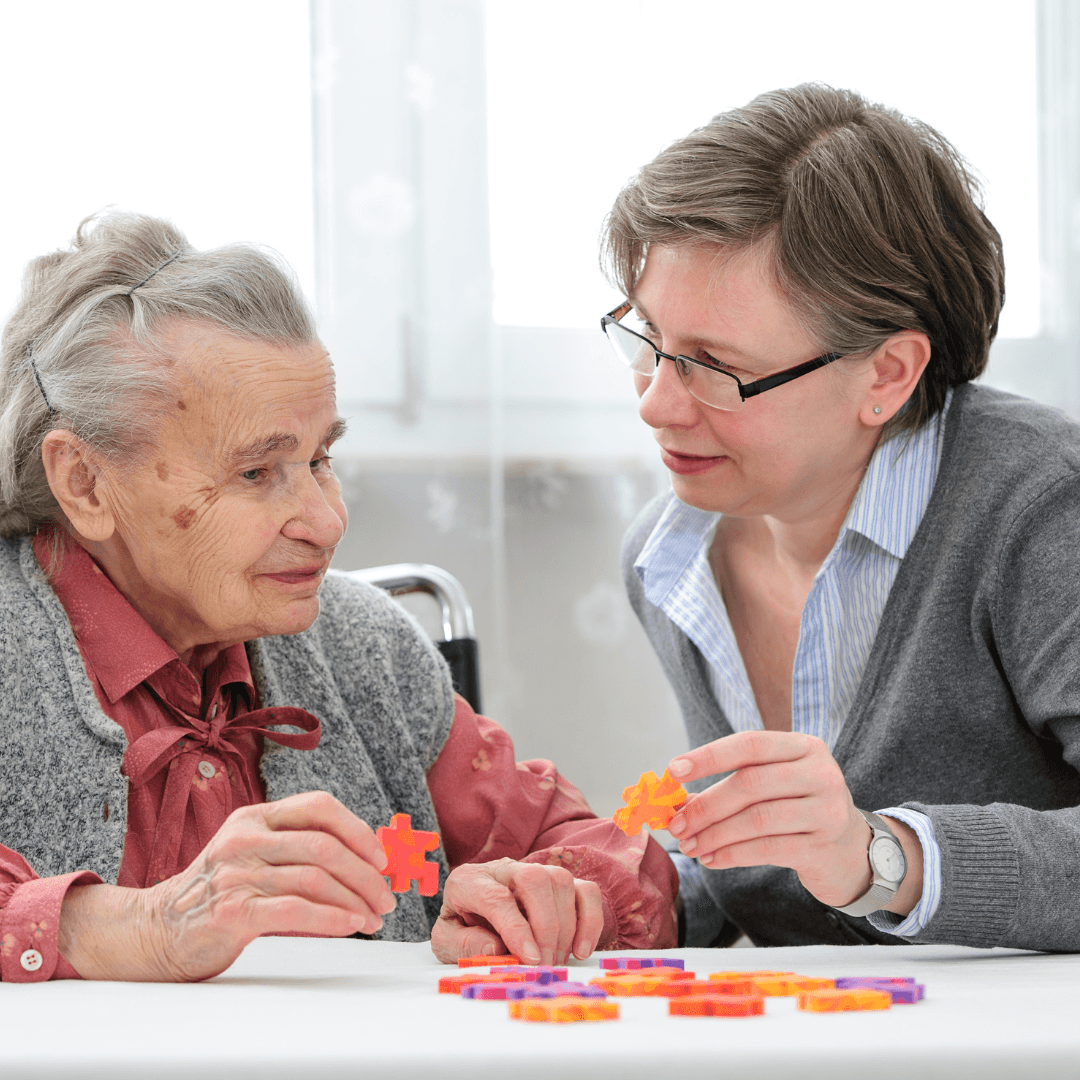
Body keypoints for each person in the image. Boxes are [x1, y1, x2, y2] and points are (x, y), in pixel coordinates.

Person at [0, 212, 676, 983]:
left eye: (322, 458)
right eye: (257, 473)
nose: (327, 522)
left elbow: (609, 857)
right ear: (85, 483)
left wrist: (547, 899)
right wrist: (134, 927)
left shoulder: (364, 647)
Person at [603, 83, 1080, 950]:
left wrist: (882, 856)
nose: (657, 405)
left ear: (888, 374)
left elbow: (845, 861)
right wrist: (613, 894)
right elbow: (766, 875)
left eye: (717, 367)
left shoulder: (1045, 512)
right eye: (649, 342)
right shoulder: (668, 556)